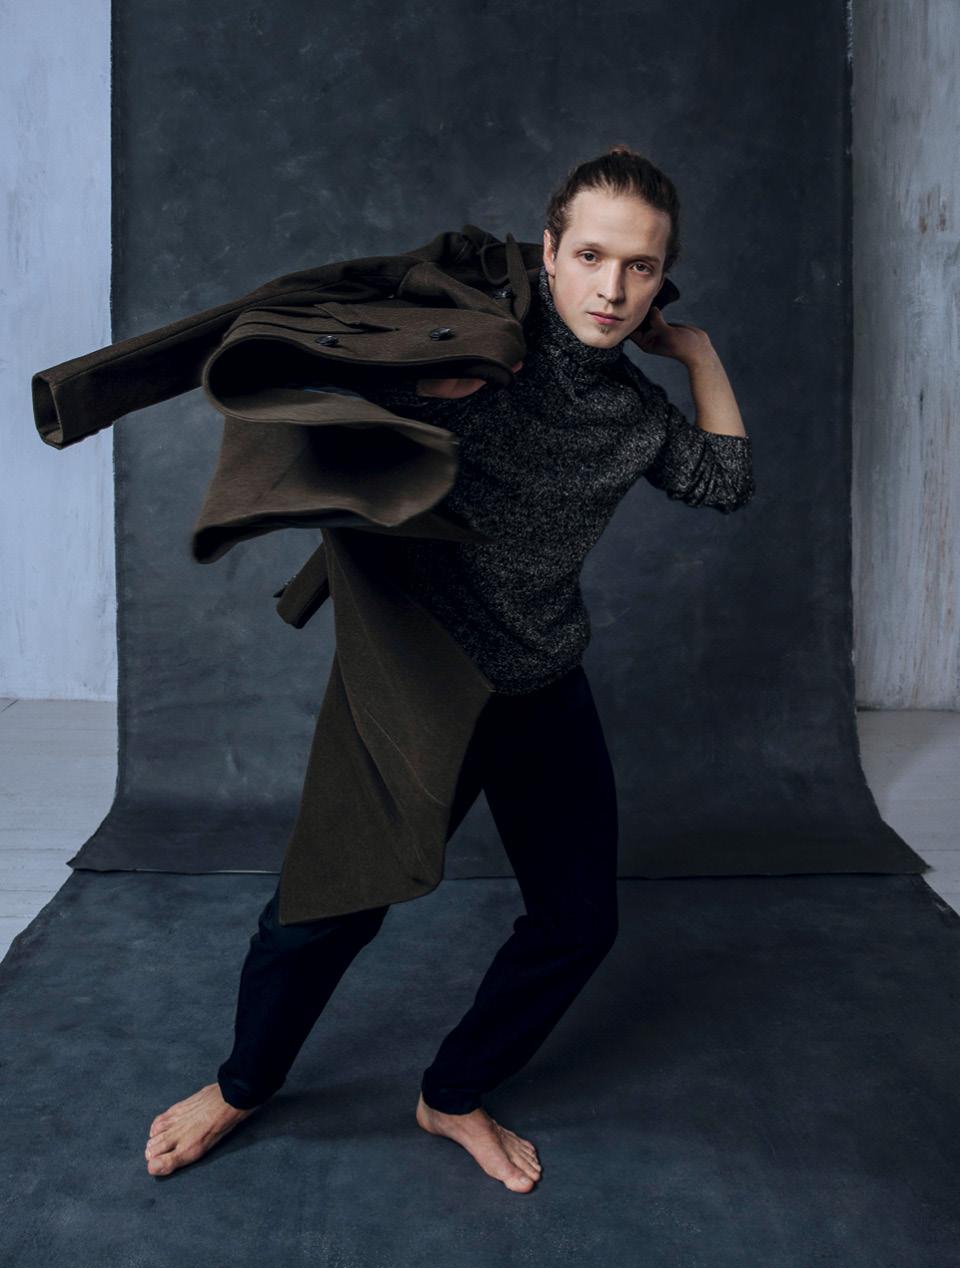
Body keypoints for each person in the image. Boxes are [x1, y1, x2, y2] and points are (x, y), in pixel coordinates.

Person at [143, 144, 754, 1192]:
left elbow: (722, 480)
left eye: (641, 267)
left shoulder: (631, 415)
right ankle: (243, 1083)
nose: (612, 289)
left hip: (541, 679)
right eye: (592, 256)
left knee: (580, 924)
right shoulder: (471, 346)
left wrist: (696, 356)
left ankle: (453, 1092)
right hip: (420, 676)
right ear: (550, 252)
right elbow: (309, 361)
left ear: (662, 280)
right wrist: (412, 388)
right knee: (327, 908)